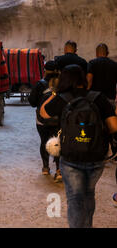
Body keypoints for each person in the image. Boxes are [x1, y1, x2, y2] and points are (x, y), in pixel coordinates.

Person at [40, 64, 117, 228]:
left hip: (71, 158)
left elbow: (43, 112)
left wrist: (55, 92)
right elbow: (114, 126)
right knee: (88, 195)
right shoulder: (98, 97)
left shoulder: (63, 98)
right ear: (83, 78)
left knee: (75, 199)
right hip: (96, 159)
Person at [28, 60, 61, 181]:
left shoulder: (40, 84)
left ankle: (46, 168)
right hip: (58, 120)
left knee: (44, 141)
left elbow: (32, 102)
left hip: (42, 120)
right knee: (57, 141)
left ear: (45, 70)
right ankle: (58, 169)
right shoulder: (61, 84)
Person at [87, 43, 117, 110]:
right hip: (110, 99)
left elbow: (89, 80)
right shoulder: (115, 65)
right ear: (107, 53)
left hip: (95, 99)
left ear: (96, 53)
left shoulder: (92, 63)